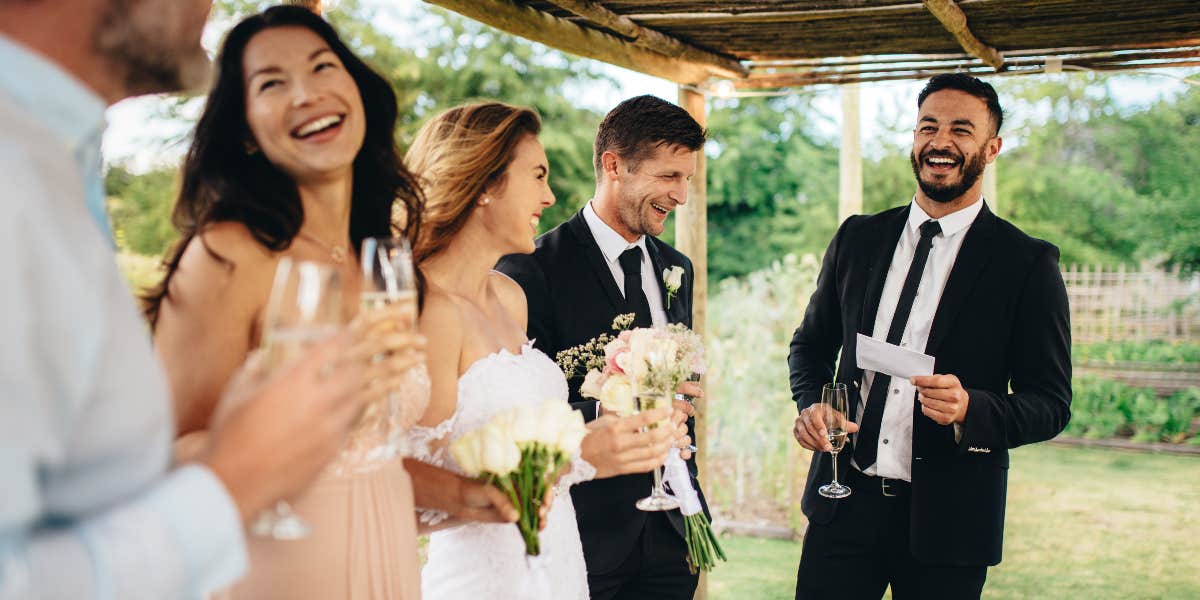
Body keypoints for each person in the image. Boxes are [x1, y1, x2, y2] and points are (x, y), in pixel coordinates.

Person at [0, 1, 376, 598]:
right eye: (272, 83)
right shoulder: (14, 179)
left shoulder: (61, 166)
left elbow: (89, 491)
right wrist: (232, 480)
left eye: (323, 68)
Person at [144, 7, 514, 599]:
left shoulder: (381, 258)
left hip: (389, 565)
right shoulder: (228, 254)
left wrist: (467, 496)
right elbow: (163, 460)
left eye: (323, 67)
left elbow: (369, 453)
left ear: (357, 93)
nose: (307, 94)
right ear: (243, 128)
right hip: (276, 570)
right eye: (272, 84)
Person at [788, 73, 1072, 600]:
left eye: (961, 130)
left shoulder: (1028, 263)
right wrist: (812, 405)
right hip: (842, 505)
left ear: (991, 148)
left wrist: (972, 408)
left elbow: (1051, 404)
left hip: (952, 524)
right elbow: (809, 345)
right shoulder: (858, 237)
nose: (941, 142)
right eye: (928, 127)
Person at [402, 101, 683, 600]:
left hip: (559, 562)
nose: (550, 195)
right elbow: (397, 483)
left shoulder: (509, 299)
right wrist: (579, 453)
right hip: (485, 579)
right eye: (537, 175)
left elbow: (526, 430)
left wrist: (602, 429)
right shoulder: (428, 311)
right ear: (486, 185)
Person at [496, 94, 710, 600]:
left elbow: (681, 375)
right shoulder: (530, 271)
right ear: (614, 165)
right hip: (584, 533)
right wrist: (611, 408)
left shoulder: (677, 267)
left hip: (673, 528)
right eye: (668, 177)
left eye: (686, 179)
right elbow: (517, 413)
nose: (681, 195)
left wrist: (680, 399)